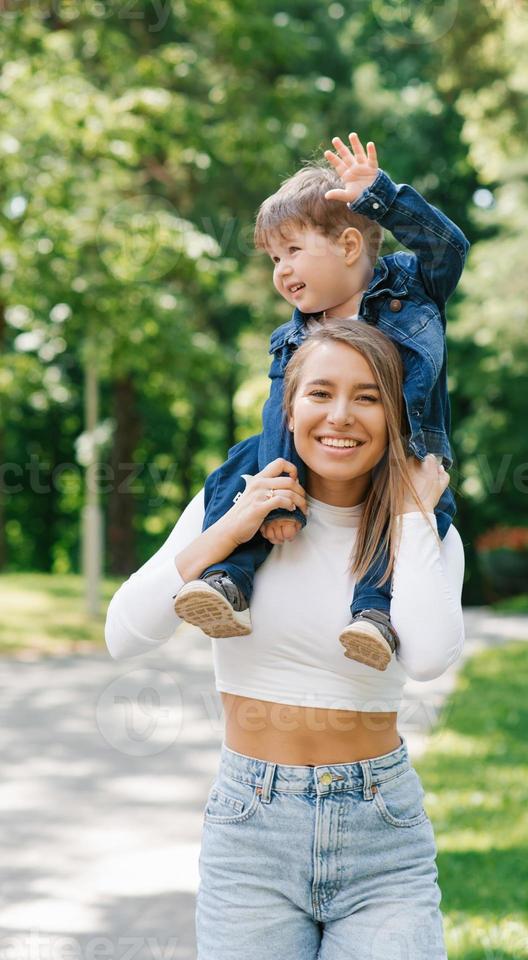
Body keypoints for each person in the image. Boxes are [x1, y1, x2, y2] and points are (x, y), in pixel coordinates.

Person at [105, 318, 465, 960]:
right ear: (289, 407)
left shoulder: (423, 528)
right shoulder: (231, 509)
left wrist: (413, 517)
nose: (340, 416)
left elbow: (430, 657)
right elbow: (124, 635)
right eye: (320, 393)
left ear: (394, 414)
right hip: (251, 828)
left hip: (380, 831)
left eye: (367, 396)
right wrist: (232, 525)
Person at [172, 132, 470, 671]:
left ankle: (374, 617)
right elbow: (280, 419)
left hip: (401, 453)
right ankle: (228, 581)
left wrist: (381, 195)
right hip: (320, 457)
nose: (280, 270)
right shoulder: (293, 338)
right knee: (241, 464)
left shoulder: (412, 288)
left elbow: (448, 248)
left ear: (351, 246)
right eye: (273, 258)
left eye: (292, 251)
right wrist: (278, 499)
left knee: (418, 503)